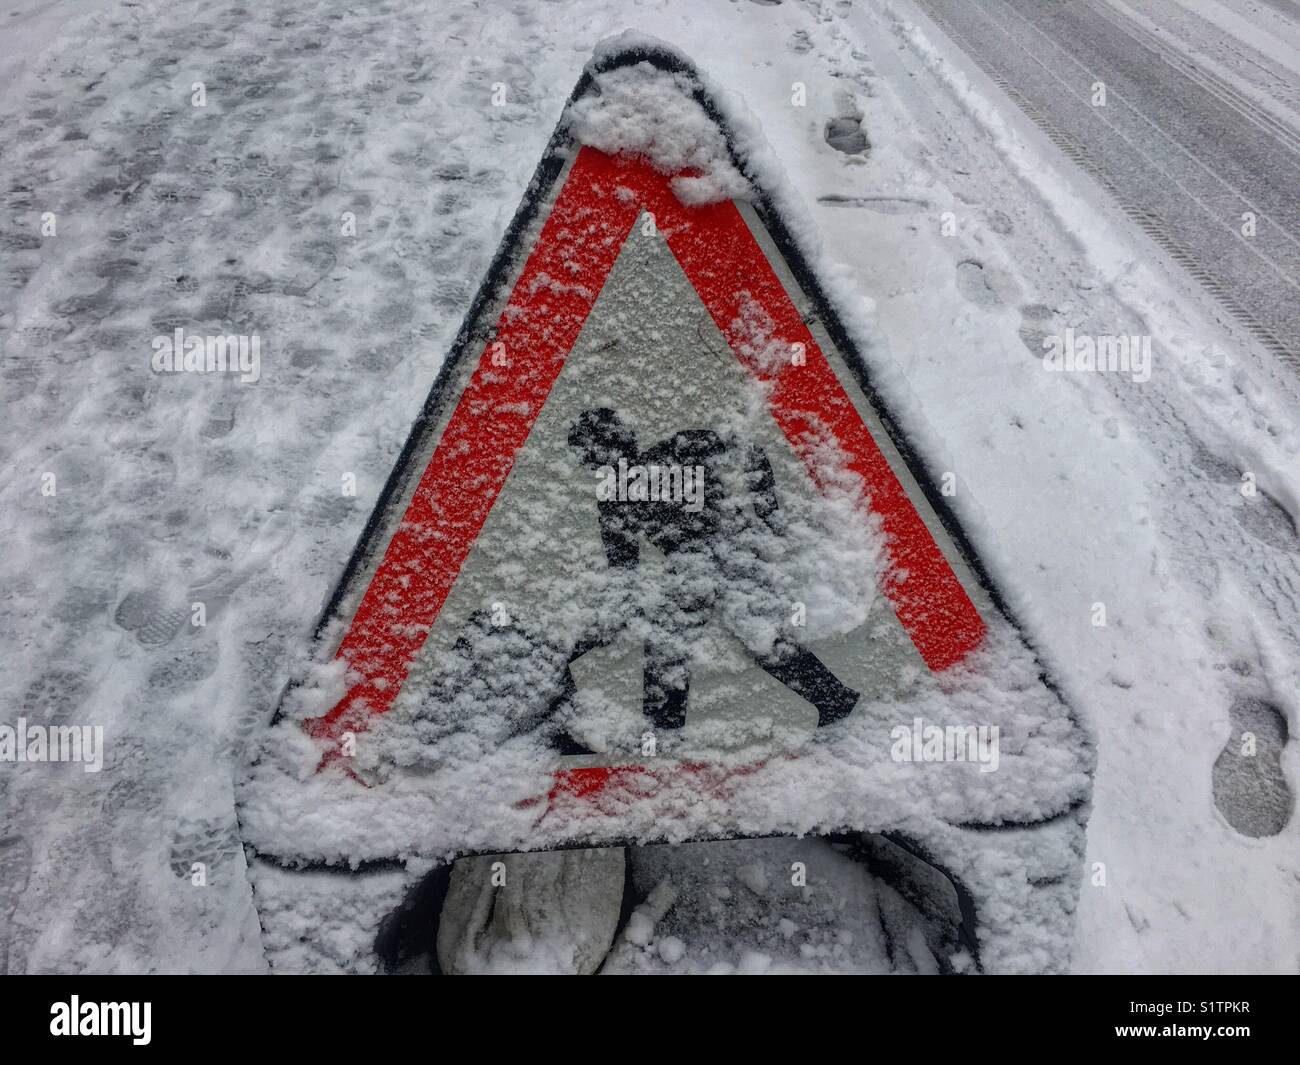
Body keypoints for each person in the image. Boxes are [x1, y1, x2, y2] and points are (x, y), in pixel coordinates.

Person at [554, 408, 858, 749]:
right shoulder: (613, 500)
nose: (596, 465)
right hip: (692, 565)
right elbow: (624, 575)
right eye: (591, 460)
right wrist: (593, 635)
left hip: (733, 550)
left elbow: (747, 450)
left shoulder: (678, 450)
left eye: (595, 454)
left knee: (752, 635)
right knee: (677, 644)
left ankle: (834, 702)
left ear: (617, 443)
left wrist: (766, 513)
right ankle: (665, 735)